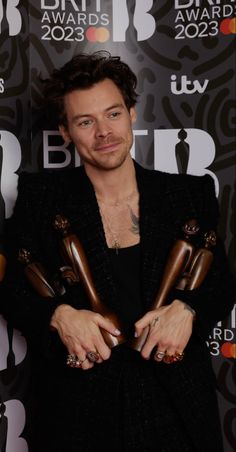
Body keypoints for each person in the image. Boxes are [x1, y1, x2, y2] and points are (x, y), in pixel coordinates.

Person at [0, 51, 235, 452]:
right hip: (76, 413)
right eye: (85, 121)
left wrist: (188, 310)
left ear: (131, 113)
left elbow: (221, 281)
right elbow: (12, 289)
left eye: (112, 114)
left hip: (177, 408)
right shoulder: (41, 199)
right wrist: (59, 316)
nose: (103, 132)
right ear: (66, 132)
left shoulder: (188, 194)